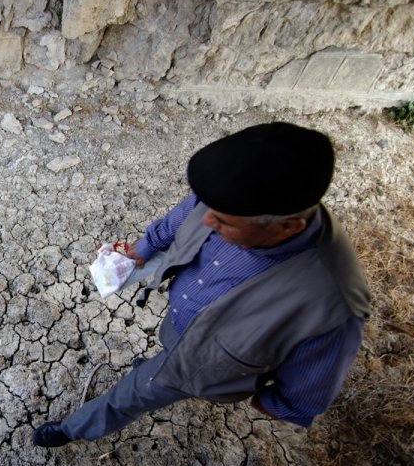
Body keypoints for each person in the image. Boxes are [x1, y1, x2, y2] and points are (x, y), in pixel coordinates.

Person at [33, 122, 371, 447]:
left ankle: (72, 430)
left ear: (287, 228)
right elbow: (185, 215)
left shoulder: (333, 305)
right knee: (168, 343)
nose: (207, 220)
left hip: (201, 366)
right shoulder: (233, 198)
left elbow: (299, 398)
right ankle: (165, 358)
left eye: (223, 222)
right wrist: (141, 250)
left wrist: (224, 380)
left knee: (133, 394)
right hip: (181, 325)